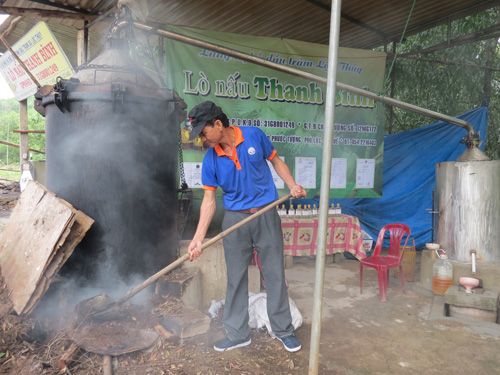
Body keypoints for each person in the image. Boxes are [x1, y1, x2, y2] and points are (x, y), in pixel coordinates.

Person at [187, 101, 307, 353]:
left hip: (265, 215)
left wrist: (292, 184)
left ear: (218, 124)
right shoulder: (211, 160)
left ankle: (284, 330)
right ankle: (238, 333)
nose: (202, 139)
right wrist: (197, 239)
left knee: (274, 274)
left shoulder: (254, 135)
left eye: (204, 132)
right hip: (235, 220)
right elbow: (209, 202)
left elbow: (277, 162)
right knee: (236, 278)